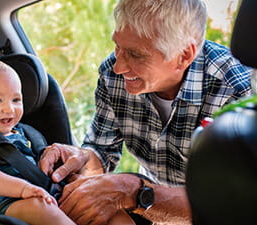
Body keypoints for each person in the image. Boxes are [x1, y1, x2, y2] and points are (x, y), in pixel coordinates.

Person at [39, 0, 252, 224]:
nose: (118, 67)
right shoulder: (112, 76)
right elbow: (102, 152)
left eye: (135, 54)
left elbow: (234, 202)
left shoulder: (237, 90)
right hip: (152, 211)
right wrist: (82, 158)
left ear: (183, 56)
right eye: (117, 46)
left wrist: (134, 192)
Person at [0, 59, 75, 225]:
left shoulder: (26, 133)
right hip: (2, 204)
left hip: (38, 193)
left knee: (95, 203)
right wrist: (23, 188)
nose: (9, 109)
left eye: (16, 100)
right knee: (43, 209)